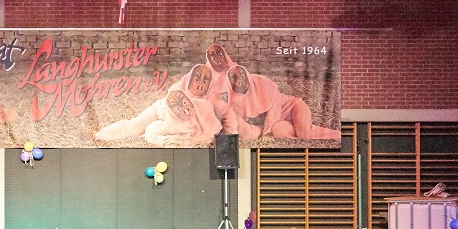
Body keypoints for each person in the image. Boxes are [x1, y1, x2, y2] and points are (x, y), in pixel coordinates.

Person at [227, 65, 341, 140]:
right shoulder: (235, 99)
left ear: (247, 75)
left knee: (304, 133)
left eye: (242, 76)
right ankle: (297, 130)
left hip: (294, 108)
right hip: (279, 122)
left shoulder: (262, 83)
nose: (239, 80)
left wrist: (267, 133)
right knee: (277, 130)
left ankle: (337, 134)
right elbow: (242, 123)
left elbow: (274, 109)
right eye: (234, 78)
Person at [94, 89, 222, 146]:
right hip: (162, 109)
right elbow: (152, 135)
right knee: (134, 127)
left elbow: (211, 135)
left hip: (175, 108)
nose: (185, 109)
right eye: (180, 109)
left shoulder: (204, 107)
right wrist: (166, 140)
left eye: (185, 104)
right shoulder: (171, 125)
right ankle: (99, 135)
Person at [170, 63, 237, 133]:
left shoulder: (211, 97)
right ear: (189, 79)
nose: (200, 86)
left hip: (206, 133)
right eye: (196, 79)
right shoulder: (177, 91)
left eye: (205, 82)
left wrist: (230, 133)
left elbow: (229, 113)